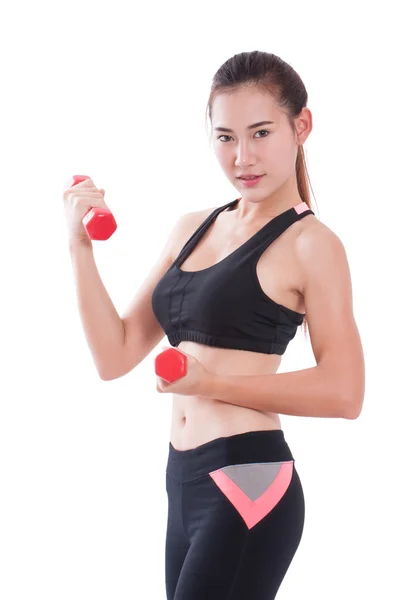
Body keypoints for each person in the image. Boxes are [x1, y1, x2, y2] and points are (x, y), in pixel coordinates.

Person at [64, 50, 365, 600]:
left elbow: (345, 392)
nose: (242, 157)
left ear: (302, 125)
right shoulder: (192, 228)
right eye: (225, 137)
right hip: (182, 481)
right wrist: (78, 246)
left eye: (261, 133)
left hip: (248, 478)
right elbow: (117, 354)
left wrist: (212, 385)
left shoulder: (311, 245)